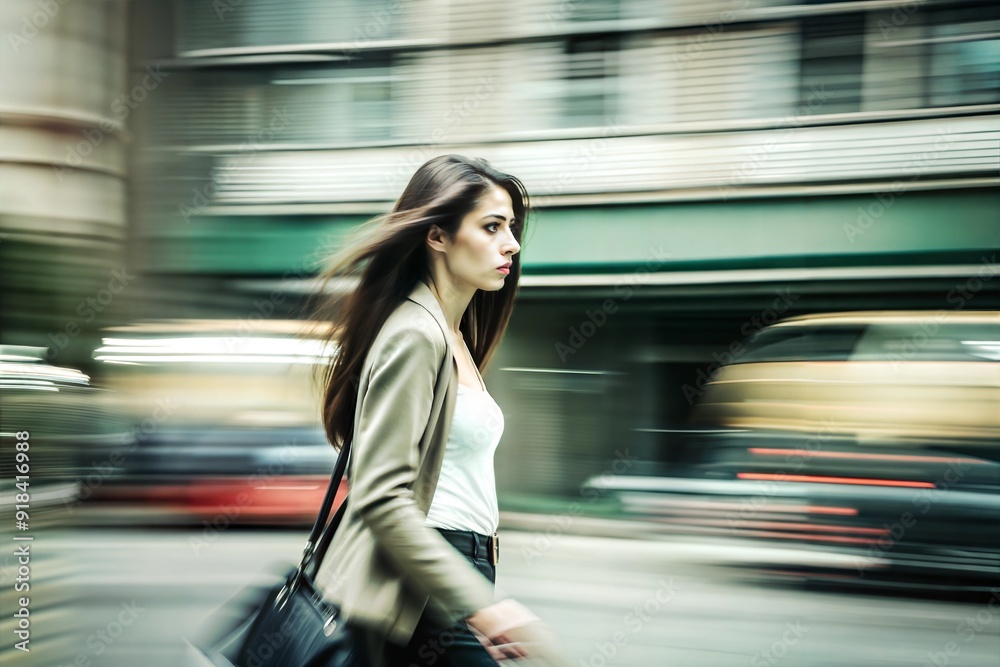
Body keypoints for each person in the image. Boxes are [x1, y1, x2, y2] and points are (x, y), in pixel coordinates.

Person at [305, 155, 565, 665]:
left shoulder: (452, 336)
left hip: (455, 571)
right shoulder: (416, 334)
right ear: (438, 236)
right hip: (423, 584)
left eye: (511, 227)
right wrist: (482, 606)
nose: (512, 244)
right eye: (491, 226)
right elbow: (381, 496)